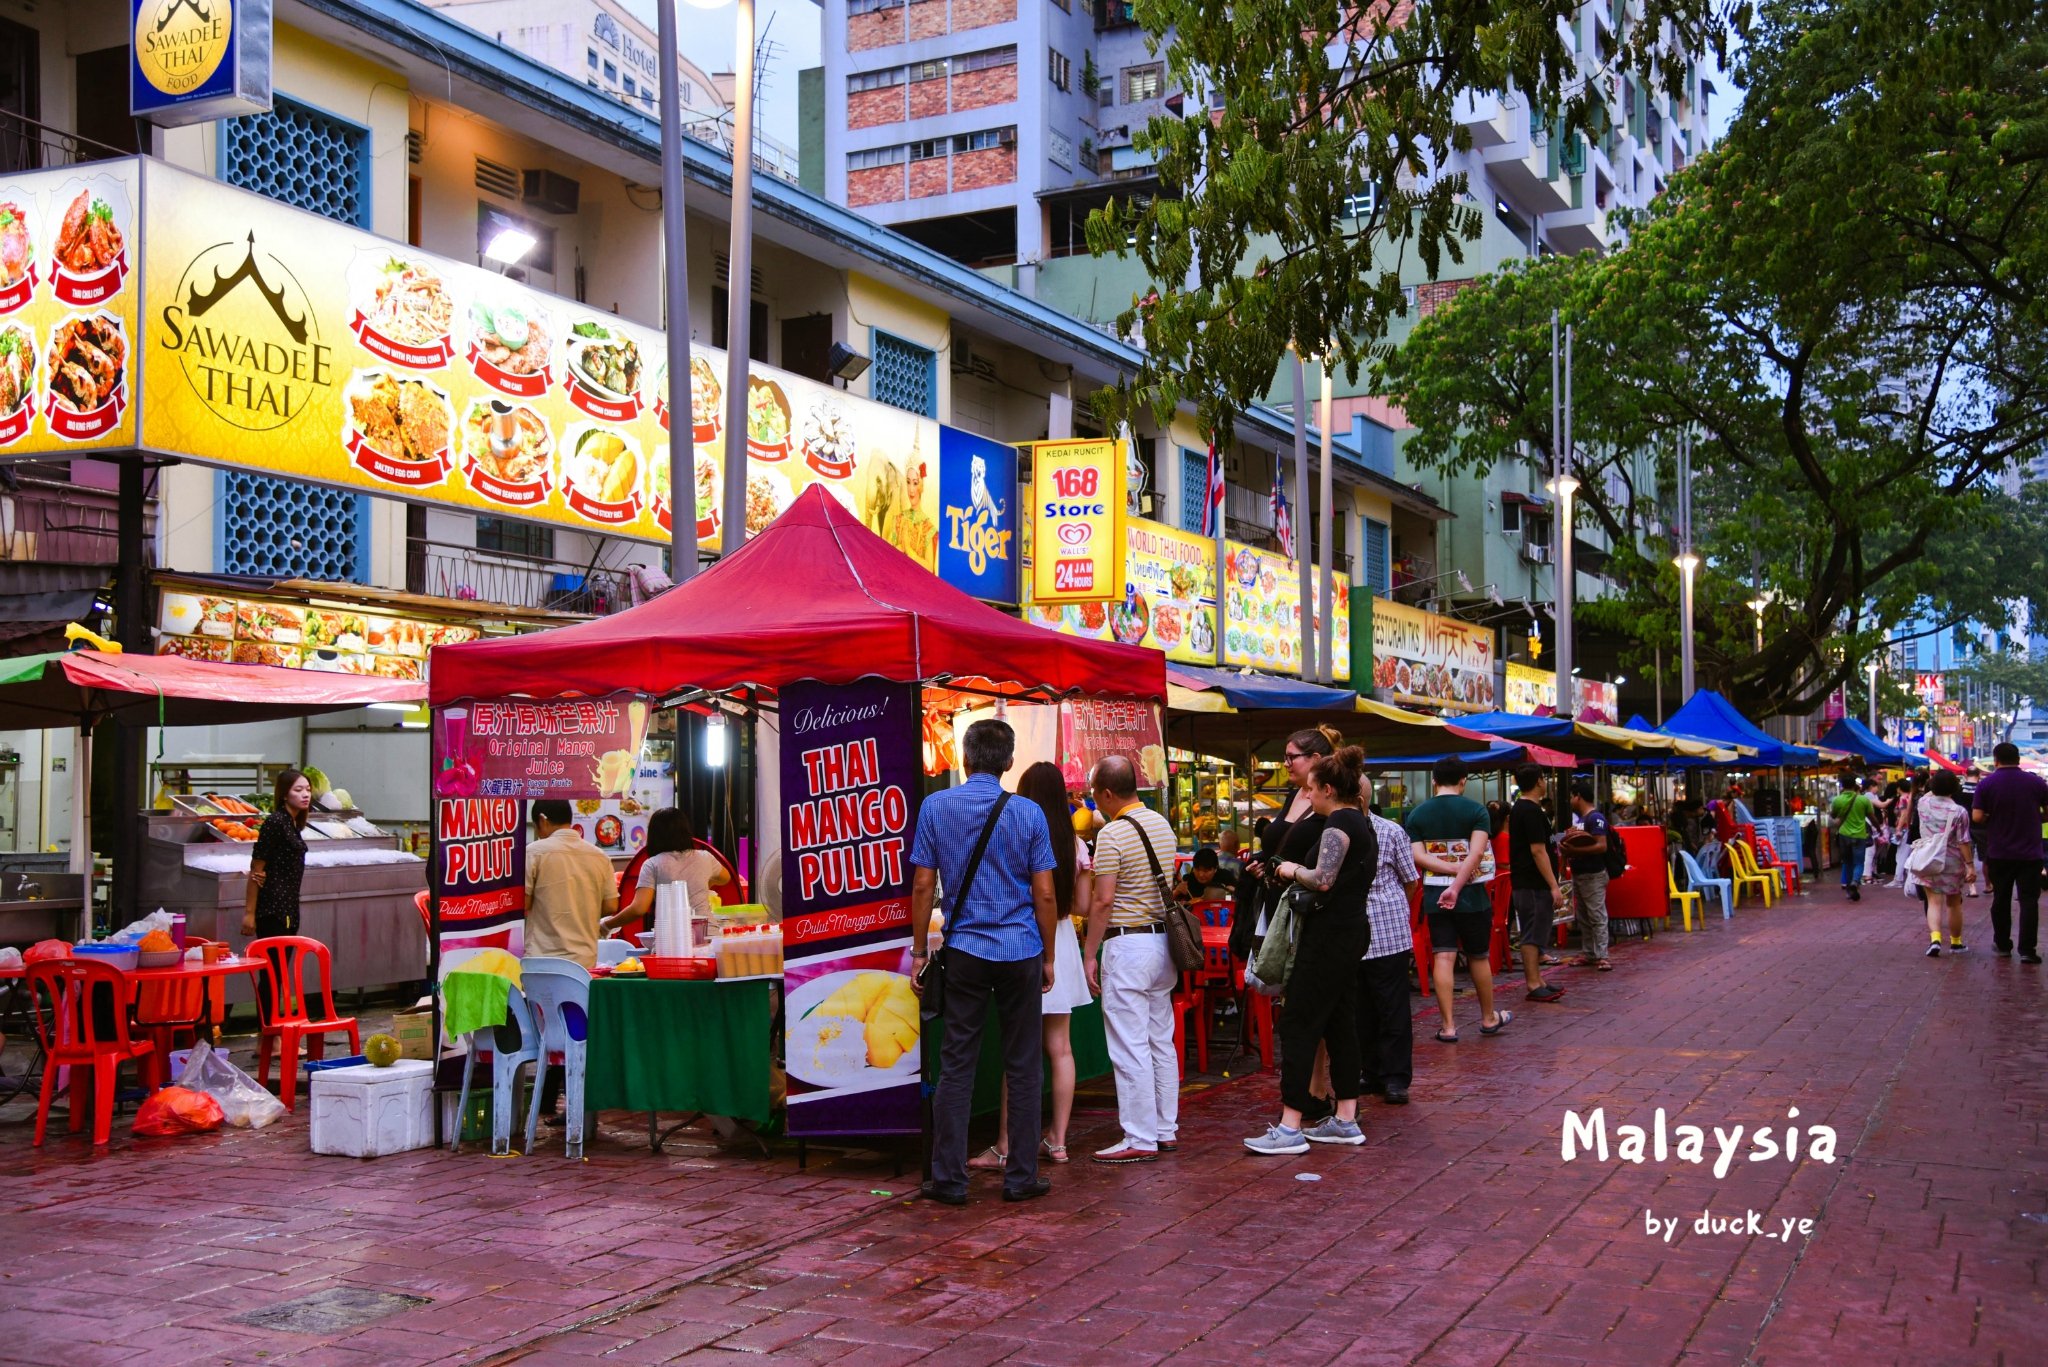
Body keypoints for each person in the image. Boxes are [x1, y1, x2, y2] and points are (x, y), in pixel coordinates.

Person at [908, 719, 1059, 1205]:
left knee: (957, 1064)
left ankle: (949, 1179)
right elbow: (1045, 894)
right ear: (1009, 762)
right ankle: (1020, 1177)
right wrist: (1050, 956)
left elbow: (922, 886)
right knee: (1023, 1064)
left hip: (965, 950)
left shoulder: (935, 807)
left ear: (964, 759)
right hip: (1021, 950)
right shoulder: (1029, 814)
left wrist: (917, 952)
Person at [1244, 746, 1379, 1153]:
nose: (1307, 796)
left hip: (1328, 936)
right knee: (1339, 1021)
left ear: (1325, 789)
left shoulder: (1338, 822)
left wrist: (1289, 870)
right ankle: (1346, 1117)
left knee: (1299, 1022)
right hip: (1350, 931)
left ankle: (1290, 1125)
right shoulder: (1362, 821)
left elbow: (1322, 879)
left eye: (1311, 789)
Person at [968, 761, 1092, 1171]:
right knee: (1061, 1049)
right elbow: (1082, 906)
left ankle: (1005, 1144)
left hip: (1024, 940)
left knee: (1018, 1051)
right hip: (1063, 944)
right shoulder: (1075, 844)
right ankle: (1057, 1141)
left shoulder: (1015, 831)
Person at [1082, 754, 1182, 1164]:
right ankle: (1164, 1128)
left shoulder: (1112, 834)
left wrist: (1090, 953)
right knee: (1161, 1040)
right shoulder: (1161, 823)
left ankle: (1139, 1136)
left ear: (1107, 793)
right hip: (1162, 946)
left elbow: (1103, 900)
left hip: (1127, 946)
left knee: (1129, 1046)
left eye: (1093, 794)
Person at [1405, 758, 1510, 1045]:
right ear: (1463, 781)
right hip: (1473, 896)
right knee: (1478, 955)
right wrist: (1460, 878)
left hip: (1434, 896)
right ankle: (1488, 1017)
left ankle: (1448, 1026)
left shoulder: (1417, 815)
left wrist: (1447, 872)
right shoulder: (1477, 810)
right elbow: (1476, 854)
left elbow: (1418, 856)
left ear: (1434, 781)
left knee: (1443, 955)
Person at [1354, 774, 1424, 1105]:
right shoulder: (1333, 833)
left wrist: (1390, 910)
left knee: (1392, 1007)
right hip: (1352, 935)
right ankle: (1370, 1070)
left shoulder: (1390, 831)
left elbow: (1410, 880)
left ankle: (1396, 1077)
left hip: (1387, 934)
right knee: (1361, 1008)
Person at [1971, 741, 2048, 962]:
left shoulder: (1986, 784)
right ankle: (2027, 950)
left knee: (2001, 898)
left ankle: (2003, 944)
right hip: (2030, 853)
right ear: (2018, 760)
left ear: (1996, 760)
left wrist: (1994, 817)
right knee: (2029, 901)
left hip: (1999, 851)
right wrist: (2035, 817)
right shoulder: (2036, 783)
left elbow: (1977, 817)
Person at [603, 807, 731, 938]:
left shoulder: (653, 864)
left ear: (654, 835)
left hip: (672, 941)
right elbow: (726, 878)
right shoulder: (705, 857)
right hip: (709, 936)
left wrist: (606, 925)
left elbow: (639, 908)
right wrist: (703, 884)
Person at [524, 800, 619, 971]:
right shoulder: (600, 856)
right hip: (583, 962)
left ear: (542, 820)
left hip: (542, 960)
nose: (539, 834)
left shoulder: (534, 852)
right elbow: (611, 905)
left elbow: (524, 903)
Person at [1506, 766, 1567, 1002]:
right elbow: (1538, 850)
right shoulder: (1529, 810)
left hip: (1531, 882)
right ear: (1539, 781)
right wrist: (1554, 885)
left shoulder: (1528, 809)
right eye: (1544, 778)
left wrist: (1562, 836)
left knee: (1539, 929)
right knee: (1532, 932)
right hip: (1532, 882)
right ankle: (1533, 983)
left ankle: (1538, 980)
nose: (1546, 782)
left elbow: (1545, 842)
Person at [243, 769, 313, 938]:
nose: (305, 795)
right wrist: (249, 913)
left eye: (308, 790)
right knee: (273, 963)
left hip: (289, 906)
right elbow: (256, 868)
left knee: (280, 963)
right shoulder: (276, 822)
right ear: (284, 795)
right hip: (273, 909)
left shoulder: (292, 823)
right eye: (298, 790)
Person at [1916, 769, 1976, 956]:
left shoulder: (1923, 803)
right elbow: (1963, 840)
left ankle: (1935, 939)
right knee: (1954, 902)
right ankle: (1956, 943)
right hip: (1951, 860)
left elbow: (1928, 793)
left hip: (1928, 858)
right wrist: (1970, 864)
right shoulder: (1959, 811)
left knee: (1933, 901)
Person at [1564, 779, 1618, 972]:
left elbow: (1601, 845)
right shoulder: (1581, 820)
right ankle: (1589, 953)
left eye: (1571, 796)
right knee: (1584, 916)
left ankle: (1603, 955)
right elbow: (1562, 837)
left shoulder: (1595, 818)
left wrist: (1575, 851)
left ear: (1578, 796)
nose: (1569, 800)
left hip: (1593, 874)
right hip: (1581, 874)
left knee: (1596, 915)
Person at [1830, 777, 1882, 901]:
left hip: (1844, 835)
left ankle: (1849, 889)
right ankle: (1855, 882)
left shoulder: (1837, 800)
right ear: (1854, 785)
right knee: (1859, 862)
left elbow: (1833, 815)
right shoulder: (1863, 800)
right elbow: (1872, 817)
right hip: (1860, 835)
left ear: (1842, 786)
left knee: (1847, 863)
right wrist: (1878, 829)